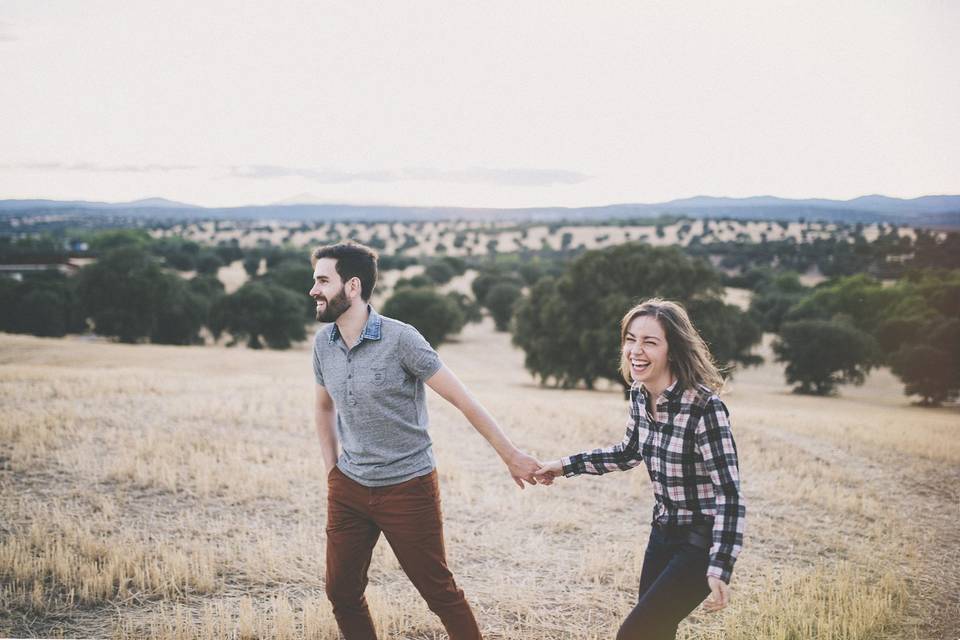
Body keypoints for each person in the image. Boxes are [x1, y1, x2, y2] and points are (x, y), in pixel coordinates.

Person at [309, 241, 540, 640]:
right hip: (349, 486)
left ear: (352, 286)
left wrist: (511, 455)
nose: (313, 290)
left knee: (439, 593)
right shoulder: (322, 344)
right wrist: (333, 472)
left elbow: (463, 400)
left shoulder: (402, 340)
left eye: (322, 280)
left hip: (407, 488)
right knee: (341, 592)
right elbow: (324, 408)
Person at [535, 299, 745, 640]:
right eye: (631, 339)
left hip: (699, 542)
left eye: (650, 342)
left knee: (634, 634)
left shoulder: (705, 407)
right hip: (662, 533)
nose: (636, 350)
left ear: (672, 350)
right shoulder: (639, 394)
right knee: (657, 632)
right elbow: (628, 452)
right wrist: (561, 467)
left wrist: (721, 563)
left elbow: (729, 493)